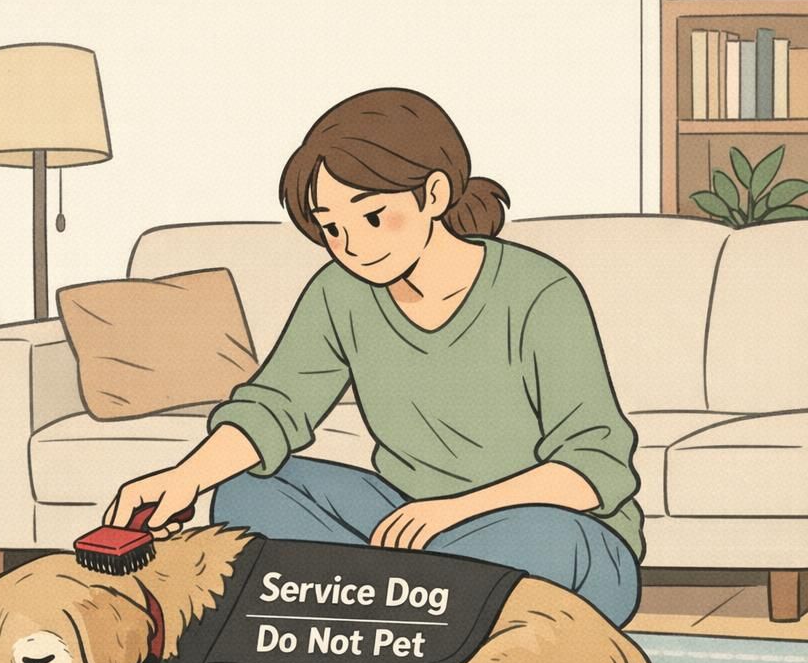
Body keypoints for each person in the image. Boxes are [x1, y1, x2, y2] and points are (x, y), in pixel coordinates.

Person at [104, 87, 644, 627]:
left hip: (548, 532)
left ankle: (366, 606)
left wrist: (451, 512)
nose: (352, 246)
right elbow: (275, 407)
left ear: (433, 194)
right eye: (332, 228)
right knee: (248, 488)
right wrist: (185, 478)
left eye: (372, 218)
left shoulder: (539, 290)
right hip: (404, 528)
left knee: (549, 546)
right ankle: (415, 612)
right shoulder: (340, 292)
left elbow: (594, 467)